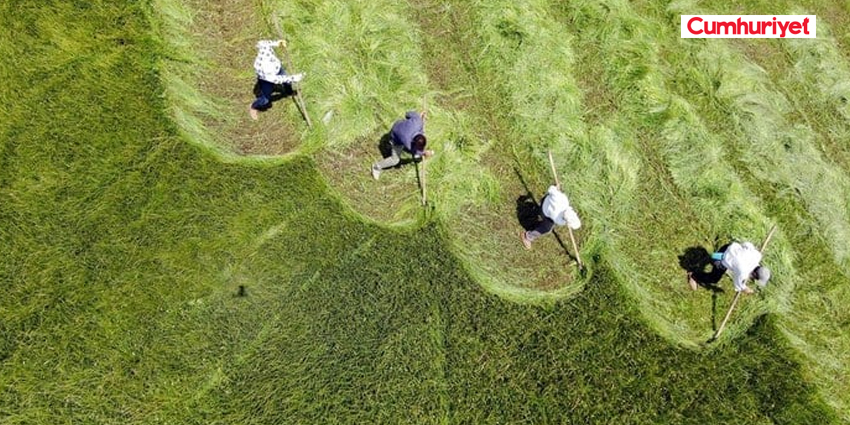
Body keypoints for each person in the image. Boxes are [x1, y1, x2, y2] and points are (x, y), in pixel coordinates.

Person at [249, 39, 304, 120]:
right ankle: (253, 106)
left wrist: (278, 43)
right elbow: (280, 79)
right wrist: (294, 78)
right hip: (266, 81)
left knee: (287, 83)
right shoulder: (267, 74)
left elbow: (263, 43)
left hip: (278, 67)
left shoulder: (264, 50)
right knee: (265, 100)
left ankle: (289, 92)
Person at [687, 241, 771, 294]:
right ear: (755, 274)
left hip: (728, 246)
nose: (754, 280)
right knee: (714, 278)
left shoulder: (757, 256)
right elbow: (738, 285)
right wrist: (745, 289)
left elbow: (747, 244)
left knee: (730, 262)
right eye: (756, 278)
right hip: (721, 259)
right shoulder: (743, 272)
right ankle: (694, 276)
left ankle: (712, 258)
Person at [371, 111, 434, 180]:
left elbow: (407, 114)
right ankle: (376, 167)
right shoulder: (407, 143)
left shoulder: (417, 121)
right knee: (395, 160)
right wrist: (424, 153)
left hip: (397, 124)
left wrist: (419, 116)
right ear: (413, 142)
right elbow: (415, 152)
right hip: (394, 138)